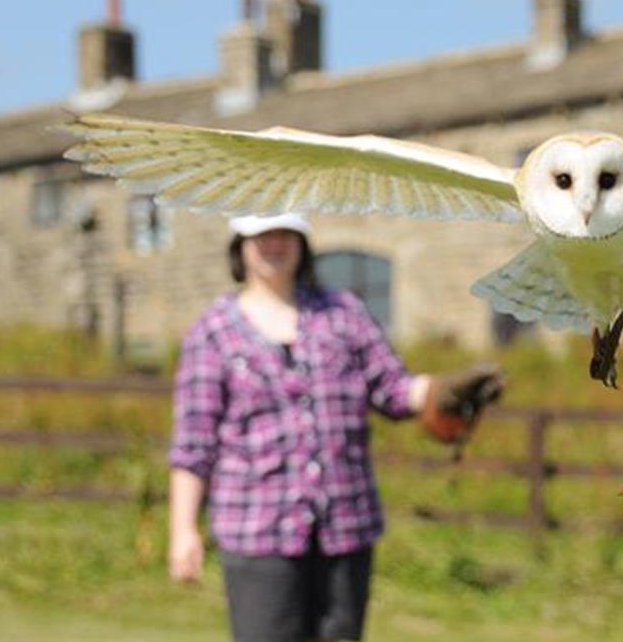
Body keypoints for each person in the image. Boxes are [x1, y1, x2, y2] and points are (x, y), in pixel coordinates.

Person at [167, 213, 502, 642]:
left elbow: (393, 389)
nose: (274, 244)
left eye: (285, 234)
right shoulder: (211, 333)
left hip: (345, 527)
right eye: (261, 235)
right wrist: (183, 530)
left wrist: (442, 392)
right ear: (240, 246)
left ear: (302, 242)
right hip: (256, 531)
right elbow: (193, 444)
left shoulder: (343, 314)